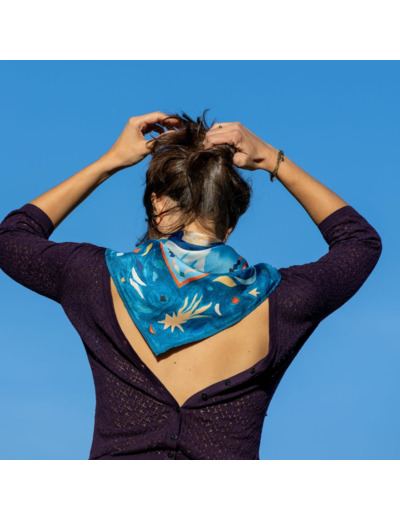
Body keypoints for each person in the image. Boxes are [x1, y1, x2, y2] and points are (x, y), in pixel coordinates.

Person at [0, 110, 382, 460]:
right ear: (229, 225)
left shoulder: (96, 278)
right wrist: (271, 159)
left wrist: (110, 162)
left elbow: (12, 237)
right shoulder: (278, 301)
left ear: (157, 206)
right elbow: (359, 243)